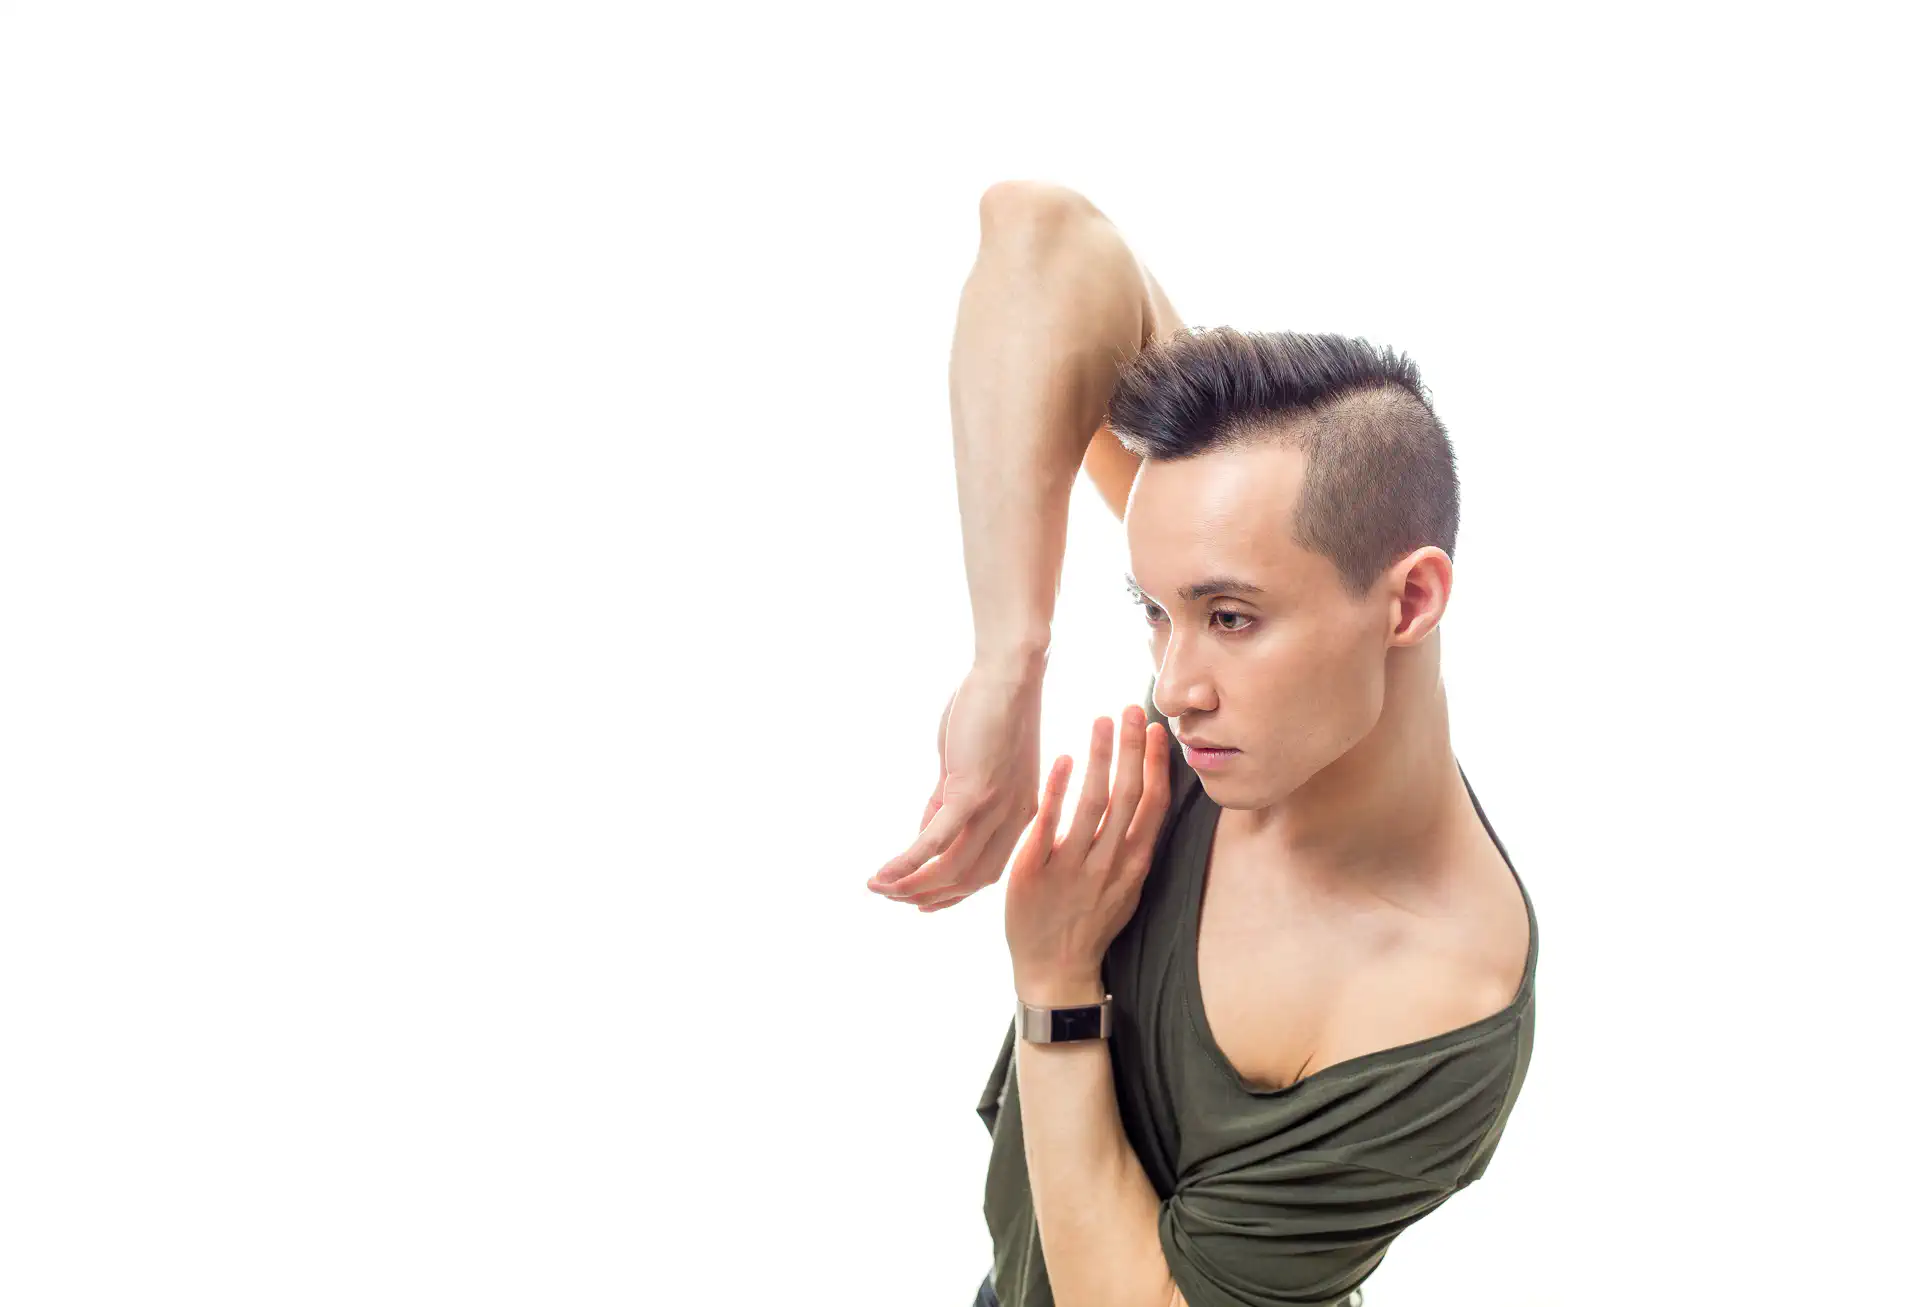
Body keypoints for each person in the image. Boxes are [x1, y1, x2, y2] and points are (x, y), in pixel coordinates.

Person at [866, 181, 1538, 1307]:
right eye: (1154, 611)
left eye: (1228, 617)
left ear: (1410, 600)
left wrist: (1057, 981)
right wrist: (1008, 664)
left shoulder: (1436, 997)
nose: (1174, 689)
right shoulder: (1265, 685)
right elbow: (1046, 236)